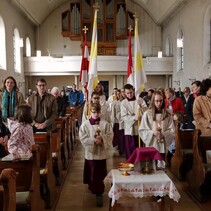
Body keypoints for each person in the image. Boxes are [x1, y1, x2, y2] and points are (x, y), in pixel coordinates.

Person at [79, 103, 113, 207]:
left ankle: (99, 193)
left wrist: (102, 138)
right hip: (91, 153)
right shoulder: (85, 124)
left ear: (100, 112)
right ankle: (92, 187)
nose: (96, 114)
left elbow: (110, 134)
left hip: (101, 154)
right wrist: (93, 140)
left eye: (97, 112)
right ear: (90, 112)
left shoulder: (105, 124)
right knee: (92, 173)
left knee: (100, 174)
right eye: (93, 112)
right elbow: (82, 136)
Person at [139, 91, 175, 161]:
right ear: (153, 101)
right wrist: (153, 133)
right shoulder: (147, 114)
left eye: (161, 101)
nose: (159, 103)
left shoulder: (167, 114)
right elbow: (142, 130)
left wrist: (163, 134)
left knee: (162, 165)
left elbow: (172, 130)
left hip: (163, 143)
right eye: (156, 101)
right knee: (152, 165)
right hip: (152, 143)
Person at [121, 84, 142, 159]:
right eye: (127, 93)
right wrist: (134, 118)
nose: (129, 95)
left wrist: (141, 107)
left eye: (131, 92)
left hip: (139, 128)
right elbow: (124, 116)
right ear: (125, 93)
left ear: (133, 91)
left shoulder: (139, 100)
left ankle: (139, 162)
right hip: (129, 129)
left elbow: (146, 111)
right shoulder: (123, 103)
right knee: (130, 149)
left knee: (138, 146)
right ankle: (131, 163)